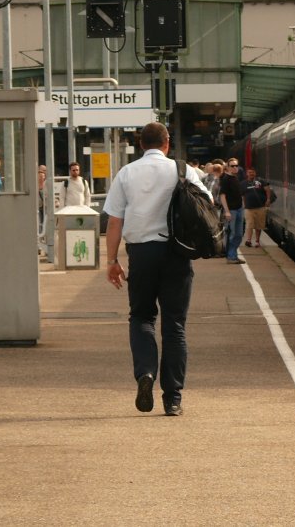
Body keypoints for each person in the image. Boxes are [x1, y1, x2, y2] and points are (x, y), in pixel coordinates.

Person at [103, 122, 211, 417]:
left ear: (141, 145)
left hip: (141, 253)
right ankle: (173, 397)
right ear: (166, 143)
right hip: (176, 253)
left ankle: (145, 373)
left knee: (141, 316)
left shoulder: (126, 173)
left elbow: (114, 222)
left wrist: (112, 260)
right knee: (174, 324)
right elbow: (207, 203)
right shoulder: (182, 170)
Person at [220, 159, 245, 264]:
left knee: (239, 234)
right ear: (228, 167)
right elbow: (222, 196)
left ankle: (233, 254)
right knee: (232, 233)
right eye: (233, 166)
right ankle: (230, 256)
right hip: (232, 210)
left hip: (239, 209)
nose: (235, 167)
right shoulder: (226, 179)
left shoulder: (236, 178)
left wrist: (243, 206)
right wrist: (227, 211)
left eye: (236, 165)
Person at [242, 168, 271, 248]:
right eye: (249, 172)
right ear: (247, 173)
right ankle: (248, 240)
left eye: (252, 172)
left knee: (259, 225)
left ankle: (257, 241)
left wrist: (268, 199)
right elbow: (242, 195)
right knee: (249, 224)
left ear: (255, 173)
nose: (251, 173)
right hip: (249, 208)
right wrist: (244, 204)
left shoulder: (261, 181)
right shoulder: (243, 183)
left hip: (260, 207)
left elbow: (267, 190)